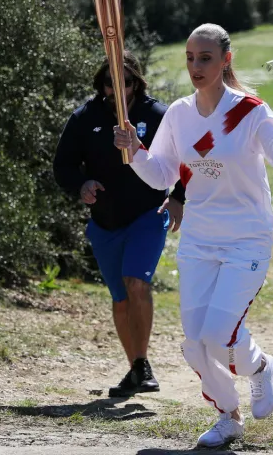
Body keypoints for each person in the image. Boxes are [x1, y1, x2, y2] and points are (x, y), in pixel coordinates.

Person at [113, 23, 273, 448]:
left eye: (205, 58)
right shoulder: (179, 114)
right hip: (199, 238)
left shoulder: (252, 112)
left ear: (225, 61)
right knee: (196, 343)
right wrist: (134, 153)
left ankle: (259, 369)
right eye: (190, 58)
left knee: (219, 335)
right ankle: (227, 415)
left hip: (246, 238)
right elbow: (162, 175)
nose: (196, 67)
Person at [53, 51, 186, 397]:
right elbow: (63, 165)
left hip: (147, 214)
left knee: (136, 283)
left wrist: (178, 198)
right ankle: (135, 369)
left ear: (136, 82)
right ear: (102, 85)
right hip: (105, 222)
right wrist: (81, 184)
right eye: (110, 82)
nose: (117, 88)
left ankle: (142, 364)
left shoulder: (158, 115)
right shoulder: (85, 117)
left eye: (124, 81)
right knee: (120, 298)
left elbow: (187, 162)